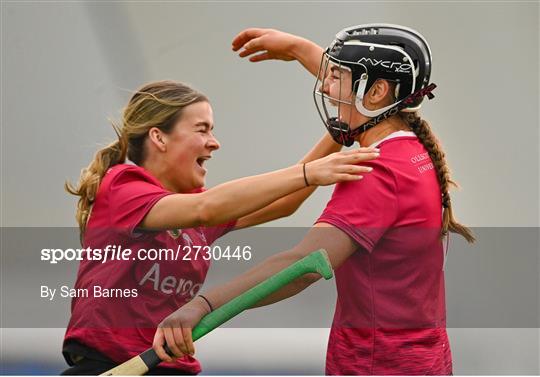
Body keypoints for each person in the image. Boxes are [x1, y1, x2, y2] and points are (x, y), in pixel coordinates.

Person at [153, 25, 476, 375]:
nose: (325, 85)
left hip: (377, 365)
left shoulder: (375, 171)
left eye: (336, 76)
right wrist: (297, 47)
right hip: (423, 361)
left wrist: (203, 304)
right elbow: (360, 88)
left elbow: (305, 265)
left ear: (378, 91)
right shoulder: (412, 150)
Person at [61, 80, 379, 375]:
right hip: (107, 366)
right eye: (202, 130)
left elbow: (285, 202)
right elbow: (207, 208)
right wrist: (309, 173)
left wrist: (339, 133)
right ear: (158, 137)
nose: (214, 143)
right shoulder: (123, 187)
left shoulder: (194, 206)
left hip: (168, 368)